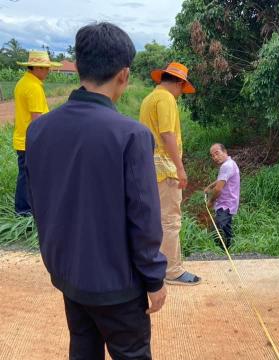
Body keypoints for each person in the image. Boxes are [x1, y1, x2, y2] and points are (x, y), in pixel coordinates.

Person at [25, 22, 167, 359]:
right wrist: (155, 278)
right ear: (123, 74)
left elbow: (37, 201)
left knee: (83, 348)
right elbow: (144, 218)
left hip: (69, 278)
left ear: (79, 67)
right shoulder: (131, 136)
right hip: (117, 286)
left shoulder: (39, 130)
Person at [139, 62, 201, 286]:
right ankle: (172, 271)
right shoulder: (166, 99)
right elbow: (167, 135)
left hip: (149, 166)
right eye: (182, 89)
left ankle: (154, 264)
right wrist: (180, 168)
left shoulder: (150, 98)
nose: (181, 94)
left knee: (155, 219)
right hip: (165, 168)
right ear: (179, 82)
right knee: (171, 220)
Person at [13, 50, 61, 215]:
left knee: (26, 175)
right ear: (37, 68)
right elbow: (37, 120)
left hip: (22, 137)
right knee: (29, 177)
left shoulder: (23, 82)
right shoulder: (34, 88)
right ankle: (24, 211)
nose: (48, 71)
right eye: (46, 68)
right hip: (31, 140)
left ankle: (25, 209)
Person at [204, 143, 240, 249]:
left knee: (220, 232)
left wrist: (211, 201)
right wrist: (209, 186)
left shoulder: (226, 166)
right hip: (229, 204)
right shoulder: (231, 163)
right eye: (212, 155)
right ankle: (228, 250)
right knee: (223, 229)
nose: (215, 157)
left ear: (225, 152)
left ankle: (225, 252)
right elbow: (222, 179)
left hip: (225, 205)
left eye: (217, 153)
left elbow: (218, 188)